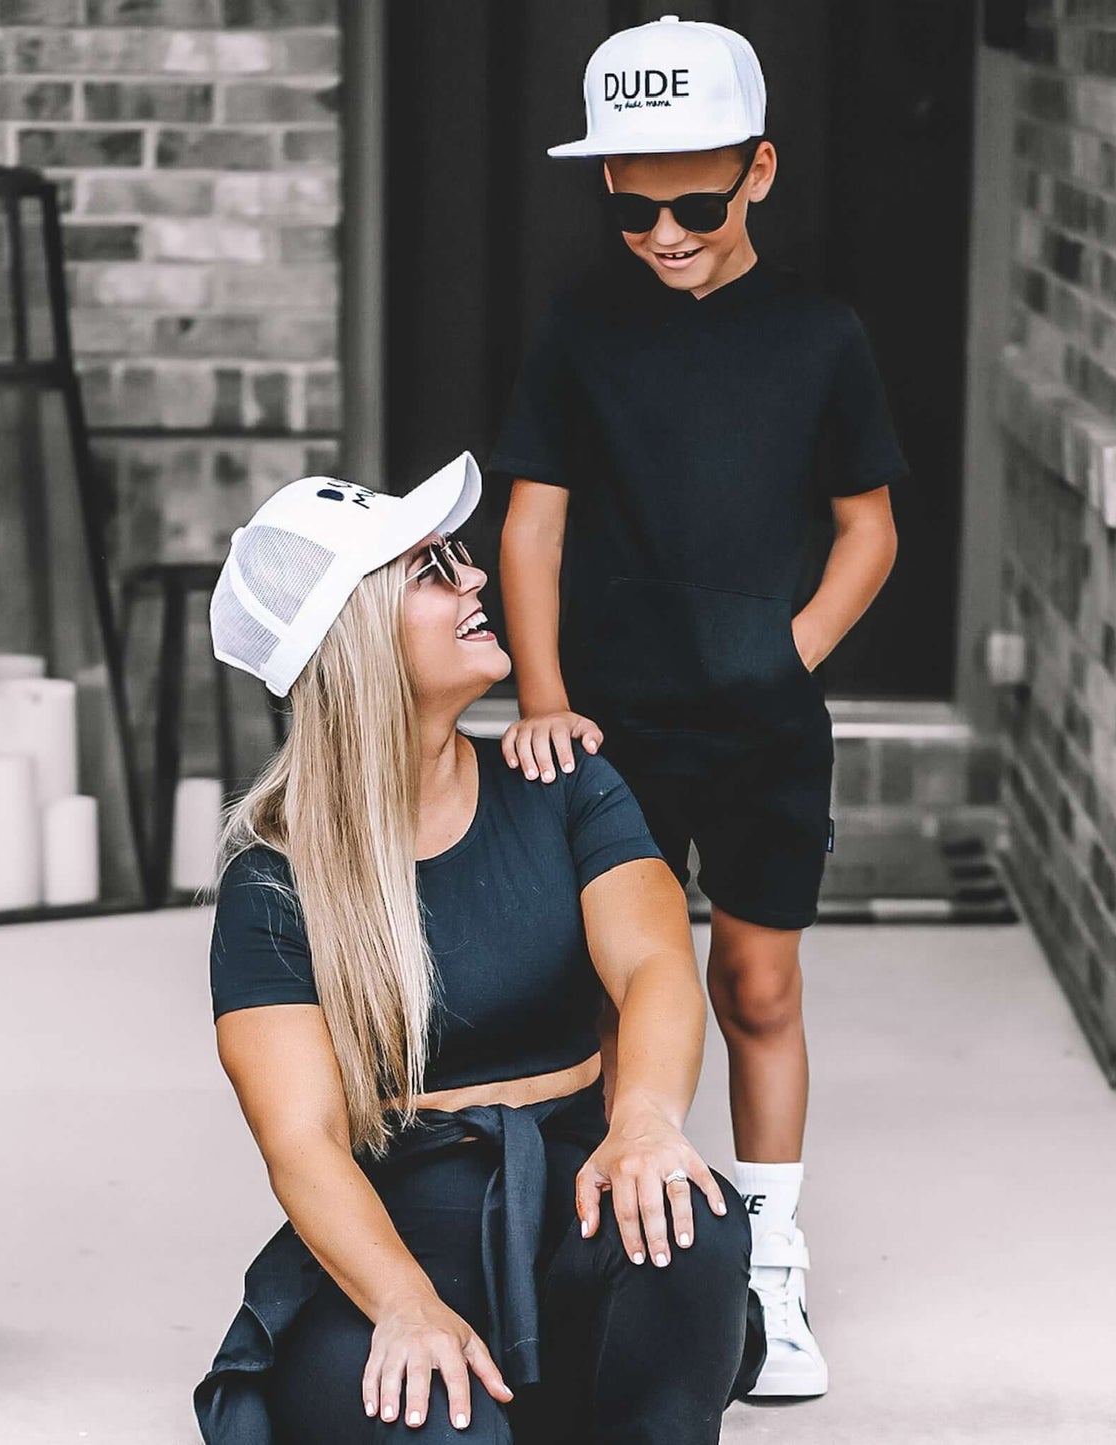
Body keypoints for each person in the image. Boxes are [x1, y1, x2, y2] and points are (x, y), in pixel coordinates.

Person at [492, 16, 906, 1399]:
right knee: (629, 985)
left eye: (696, 204)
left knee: (755, 984)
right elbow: (533, 524)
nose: (664, 234)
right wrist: (541, 696)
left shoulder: (820, 337)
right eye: (633, 208)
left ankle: (769, 1264)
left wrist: (788, 653)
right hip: (610, 728)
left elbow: (869, 529)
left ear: (758, 172)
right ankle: (630, 1252)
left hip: (760, 727)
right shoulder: (580, 328)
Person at [193, 453, 760, 1445]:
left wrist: (642, 1120)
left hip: (572, 1203)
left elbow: (655, 967)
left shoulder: (561, 785)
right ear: (357, 636)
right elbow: (302, 1140)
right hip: (393, 1249)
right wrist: (406, 1304)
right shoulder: (273, 885)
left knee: (691, 1224)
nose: (476, 577)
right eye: (431, 570)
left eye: (456, 555)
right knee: (440, 1422)